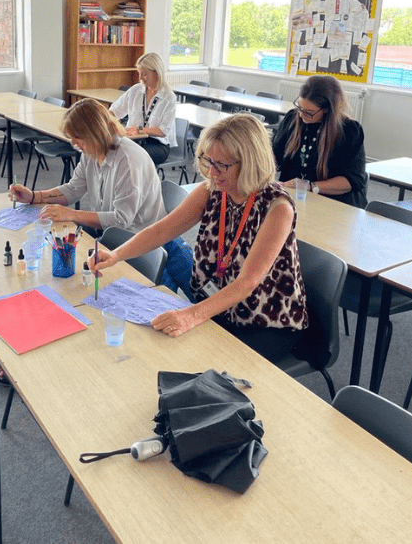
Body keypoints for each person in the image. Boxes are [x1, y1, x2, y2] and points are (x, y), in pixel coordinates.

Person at [92, 113, 310, 363]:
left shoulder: (277, 207)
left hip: (262, 319)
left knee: (199, 362)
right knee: (164, 343)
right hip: (217, 303)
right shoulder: (212, 189)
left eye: (223, 165)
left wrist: (191, 315)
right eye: (209, 161)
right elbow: (162, 231)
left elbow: (248, 282)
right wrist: (116, 254)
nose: (213, 172)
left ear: (250, 162)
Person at [8, 98, 192, 294]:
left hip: (148, 246)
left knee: (173, 304)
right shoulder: (91, 151)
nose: (72, 143)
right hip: (119, 239)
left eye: (77, 136)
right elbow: (73, 189)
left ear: (94, 133)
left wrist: (71, 214)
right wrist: (34, 196)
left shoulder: (128, 161)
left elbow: (120, 220)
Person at [272, 75, 367, 208]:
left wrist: (310, 186)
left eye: (309, 112)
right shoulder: (292, 119)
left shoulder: (349, 131)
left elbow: (351, 181)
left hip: (334, 204)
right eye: (300, 107)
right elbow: (274, 155)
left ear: (328, 109)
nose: (301, 114)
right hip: (293, 198)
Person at [109, 52, 177, 165]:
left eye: (144, 74)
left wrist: (140, 130)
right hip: (133, 139)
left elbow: (163, 131)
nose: (140, 78)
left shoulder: (169, 98)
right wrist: (111, 124)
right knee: (110, 149)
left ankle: (136, 182)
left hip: (157, 144)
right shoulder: (135, 90)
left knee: (131, 155)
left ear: (157, 73)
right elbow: (114, 111)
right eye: (139, 74)